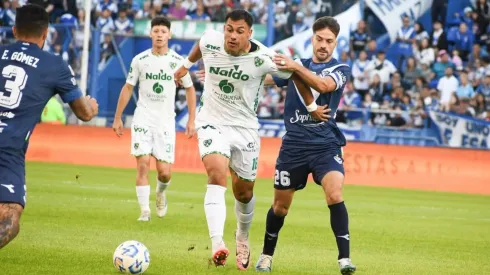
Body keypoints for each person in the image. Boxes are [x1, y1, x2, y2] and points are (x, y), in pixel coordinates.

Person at [174, 9, 329, 269]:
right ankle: (217, 244)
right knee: (216, 173)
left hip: (245, 129)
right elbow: (200, 44)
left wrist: (312, 108)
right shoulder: (211, 40)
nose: (232, 36)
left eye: (239, 31)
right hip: (212, 122)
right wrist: (185, 66)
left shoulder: (265, 57)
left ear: (250, 33)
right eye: (229, 29)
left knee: (244, 192)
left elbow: (295, 75)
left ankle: (242, 237)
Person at [254, 16, 357, 274]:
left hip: (326, 145)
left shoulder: (341, 69)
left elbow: (323, 85)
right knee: (280, 207)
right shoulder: (295, 66)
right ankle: (266, 256)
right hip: (294, 146)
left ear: (336, 43)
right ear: (312, 39)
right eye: (319, 39)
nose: (323, 45)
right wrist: (223, 72)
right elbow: (261, 78)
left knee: (335, 193)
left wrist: (294, 67)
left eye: (329, 41)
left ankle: (344, 260)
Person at [0, 4, 98, 249]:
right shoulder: (55, 65)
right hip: (8, 151)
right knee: (9, 220)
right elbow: (84, 113)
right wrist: (92, 107)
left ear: (13, 30)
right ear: (45, 33)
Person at [112, 16, 197, 222]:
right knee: (142, 165)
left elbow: (190, 89)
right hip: (143, 118)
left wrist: (191, 119)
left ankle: (160, 193)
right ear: (150, 33)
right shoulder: (139, 60)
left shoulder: (177, 62)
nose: (159, 35)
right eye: (156, 31)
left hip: (165, 121)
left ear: (169, 34)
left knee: (165, 172)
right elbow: (128, 87)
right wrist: (118, 117)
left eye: (163, 31)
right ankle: (144, 211)